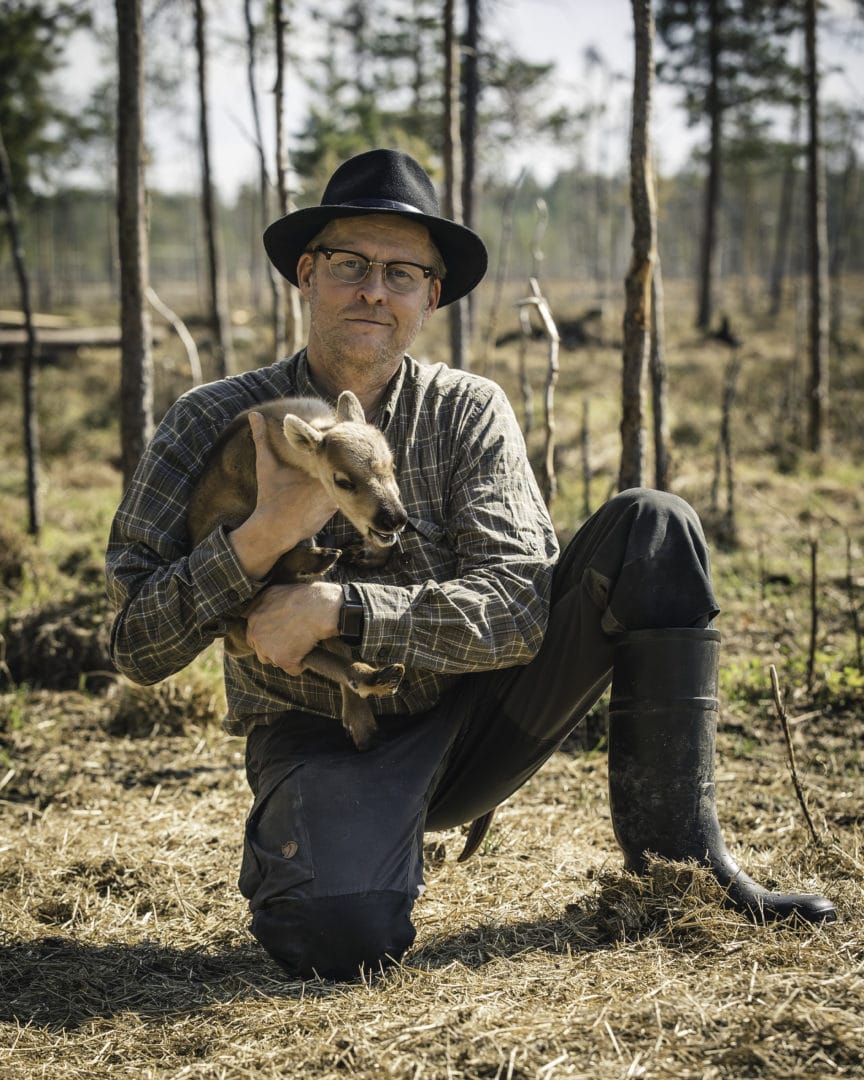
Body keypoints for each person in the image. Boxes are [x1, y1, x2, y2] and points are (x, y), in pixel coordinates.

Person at [106, 149, 835, 981]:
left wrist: (342, 609)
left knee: (655, 528)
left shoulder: (467, 411)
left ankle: (685, 868)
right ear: (307, 274)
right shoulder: (213, 420)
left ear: (432, 295)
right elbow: (135, 644)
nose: (374, 290)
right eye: (350, 264)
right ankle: (361, 838)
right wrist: (261, 537)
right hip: (323, 733)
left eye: (403, 273)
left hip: (483, 715)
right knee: (334, 938)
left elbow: (522, 605)